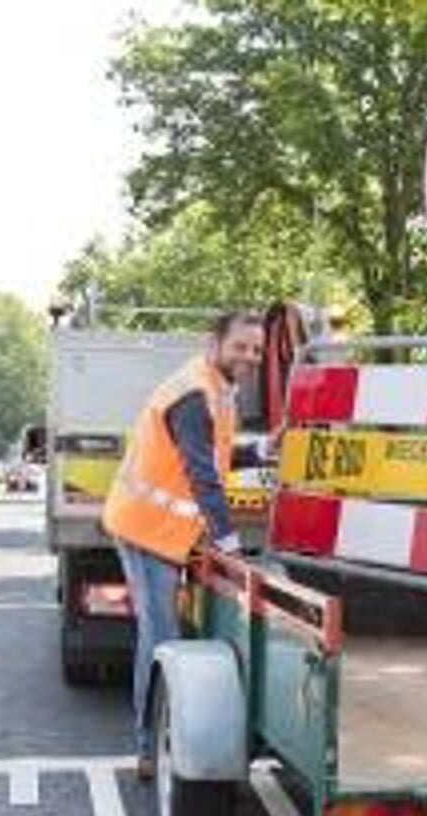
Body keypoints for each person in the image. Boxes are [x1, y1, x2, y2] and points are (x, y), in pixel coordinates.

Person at [102, 310, 266, 780]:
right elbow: (202, 475)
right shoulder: (194, 394)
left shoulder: (216, 388)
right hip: (144, 529)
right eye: (242, 346)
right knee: (161, 636)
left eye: (256, 349)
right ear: (214, 343)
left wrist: (258, 451)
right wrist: (230, 544)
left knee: (167, 632)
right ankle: (148, 746)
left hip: (165, 532)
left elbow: (213, 454)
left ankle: (159, 734)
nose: (251, 357)